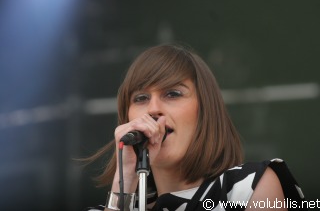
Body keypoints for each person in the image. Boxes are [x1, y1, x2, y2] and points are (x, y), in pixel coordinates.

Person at [85, 44, 306, 211]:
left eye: (172, 94)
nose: (153, 109)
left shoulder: (246, 187)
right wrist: (124, 182)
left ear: (204, 111)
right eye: (141, 98)